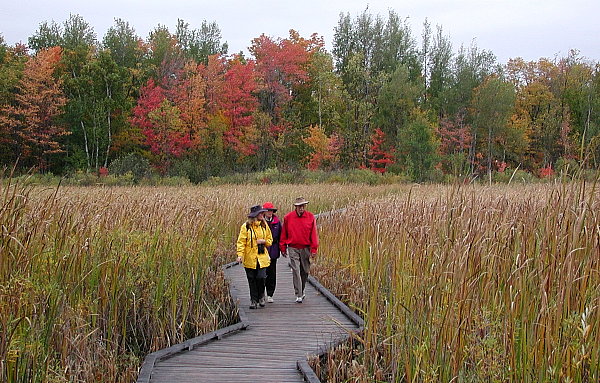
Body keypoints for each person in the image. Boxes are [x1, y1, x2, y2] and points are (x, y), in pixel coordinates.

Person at [280, 197, 319, 303]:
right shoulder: (288, 217)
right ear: (296, 207)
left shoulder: (310, 217)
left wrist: (314, 249)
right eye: (299, 206)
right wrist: (283, 247)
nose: (301, 208)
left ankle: (302, 290)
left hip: (305, 248)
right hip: (293, 247)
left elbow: (314, 234)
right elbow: (284, 233)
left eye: (303, 206)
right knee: (296, 270)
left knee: (305, 271)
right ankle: (299, 294)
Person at [236, 205, 273, 309]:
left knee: (261, 277)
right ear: (255, 215)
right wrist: (240, 255)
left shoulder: (264, 225)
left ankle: (261, 296)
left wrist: (264, 241)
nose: (263, 215)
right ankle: (253, 300)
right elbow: (241, 242)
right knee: (251, 279)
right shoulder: (246, 226)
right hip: (249, 258)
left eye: (262, 213)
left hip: (262, 257)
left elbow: (270, 240)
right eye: (261, 213)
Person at [262, 202, 282, 303]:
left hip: (273, 249)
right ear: (264, 212)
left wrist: (282, 248)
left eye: (271, 210)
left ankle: (270, 294)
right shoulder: (260, 222)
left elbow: (281, 235)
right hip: (262, 250)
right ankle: (261, 294)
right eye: (268, 210)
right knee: (262, 273)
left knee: (272, 273)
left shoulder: (277, 222)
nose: (270, 212)